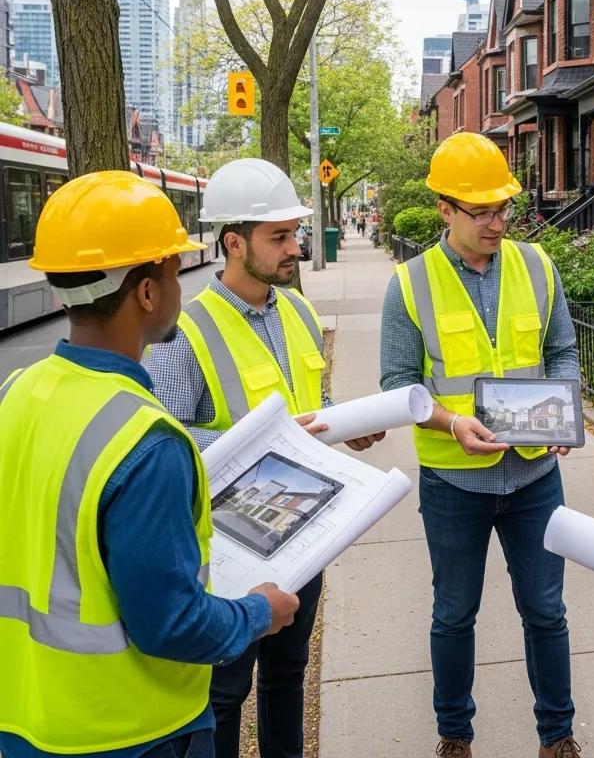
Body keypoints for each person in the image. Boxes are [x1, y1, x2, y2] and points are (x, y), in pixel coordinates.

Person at [0, 171, 299, 758]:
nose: (179, 287)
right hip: (132, 731)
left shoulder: (17, 390)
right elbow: (173, 624)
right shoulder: (147, 441)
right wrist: (259, 612)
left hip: (26, 719)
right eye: (171, 271)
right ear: (146, 292)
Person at [145, 158, 381, 758]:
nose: (293, 249)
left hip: (302, 533)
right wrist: (263, 440)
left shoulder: (297, 310)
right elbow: (167, 440)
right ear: (234, 243)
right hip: (230, 544)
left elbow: (315, 401)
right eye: (279, 237)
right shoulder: (187, 328)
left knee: (286, 675)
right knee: (225, 692)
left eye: (294, 234)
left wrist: (342, 424)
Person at [379, 132, 583, 758]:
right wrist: (450, 424)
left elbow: (563, 351)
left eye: (504, 209)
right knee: (453, 616)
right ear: (445, 209)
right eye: (483, 211)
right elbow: (398, 385)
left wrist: (565, 411)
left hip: (532, 478)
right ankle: (454, 735)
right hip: (453, 483)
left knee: (546, 613)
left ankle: (558, 736)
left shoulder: (537, 266)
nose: (499, 222)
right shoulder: (410, 285)